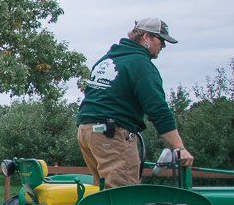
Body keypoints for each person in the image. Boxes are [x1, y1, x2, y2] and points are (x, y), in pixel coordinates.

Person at [77, 17, 194, 188]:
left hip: (86, 131)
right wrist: (180, 147)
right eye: (161, 40)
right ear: (146, 37)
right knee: (124, 197)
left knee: (103, 194)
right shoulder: (141, 65)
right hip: (112, 134)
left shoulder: (108, 59)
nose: (163, 46)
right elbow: (158, 110)